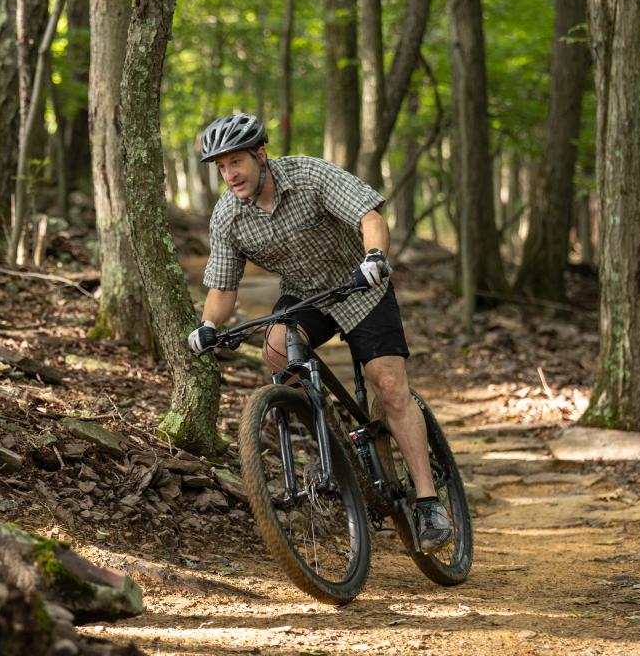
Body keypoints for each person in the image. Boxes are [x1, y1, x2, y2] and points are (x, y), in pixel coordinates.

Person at [186, 112, 451, 554]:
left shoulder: (309, 175)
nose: (230, 174)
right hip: (306, 296)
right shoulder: (228, 216)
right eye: (221, 167)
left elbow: (369, 216)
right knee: (275, 351)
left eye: (236, 162)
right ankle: (326, 438)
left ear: (261, 155)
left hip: (361, 286)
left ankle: (427, 502)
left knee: (388, 386)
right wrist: (208, 325)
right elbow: (222, 288)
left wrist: (374, 256)